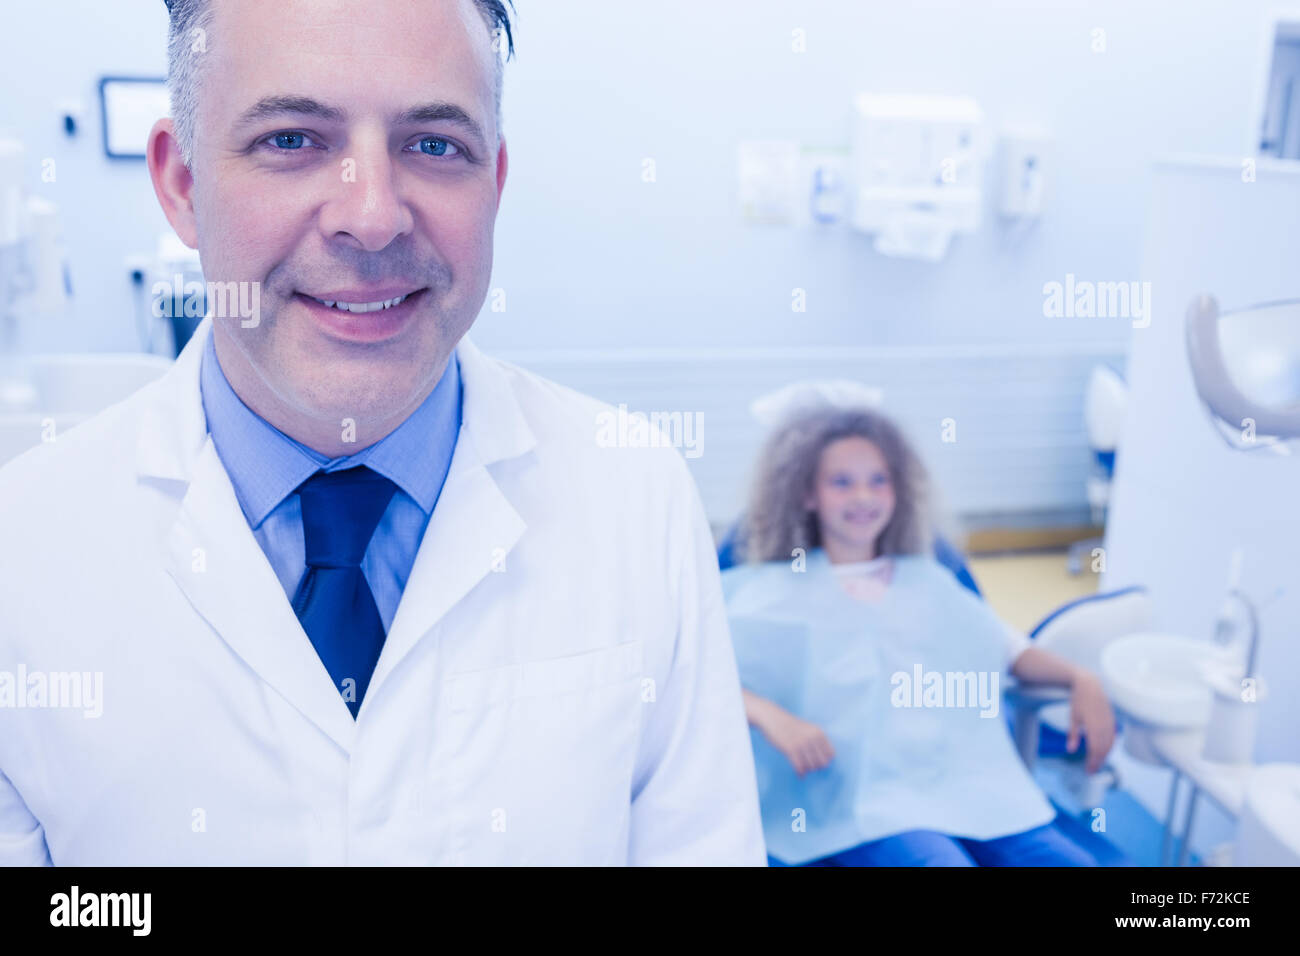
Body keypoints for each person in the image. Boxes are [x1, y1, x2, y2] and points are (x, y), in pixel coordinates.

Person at [0, 0, 764, 866]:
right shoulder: (23, 549)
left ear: (496, 184)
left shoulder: (634, 494)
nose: (372, 216)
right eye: (292, 139)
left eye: (434, 145)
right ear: (181, 184)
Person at [723, 405, 1116, 866]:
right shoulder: (774, 589)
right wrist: (772, 715)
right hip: (859, 797)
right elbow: (704, 671)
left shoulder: (928, 580)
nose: (863, 495)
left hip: (963, 781)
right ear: (807, 494)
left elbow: (1006, 647)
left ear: (899, 490)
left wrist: (1080, 679)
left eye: (878, 479)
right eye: (842, 482)